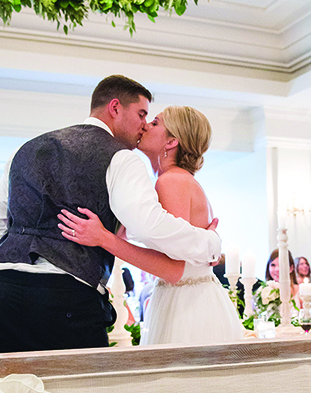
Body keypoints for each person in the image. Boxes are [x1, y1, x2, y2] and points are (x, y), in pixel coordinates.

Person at [0, 77, 221, 353]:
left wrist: (23, 255)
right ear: (115, 107)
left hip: (3, 293)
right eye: (142, 115)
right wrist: (210, 243)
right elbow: (149, 227)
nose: (144, 125)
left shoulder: (23, 150)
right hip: (66, 300)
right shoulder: (120, 157)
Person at [58, 105, 244, 347]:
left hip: (187, 308)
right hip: (192, 299)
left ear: (171, 143)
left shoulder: (172, 182)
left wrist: (104, 238)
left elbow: (172, 270)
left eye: (155, 123)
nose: (145, 125)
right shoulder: (177, 180)